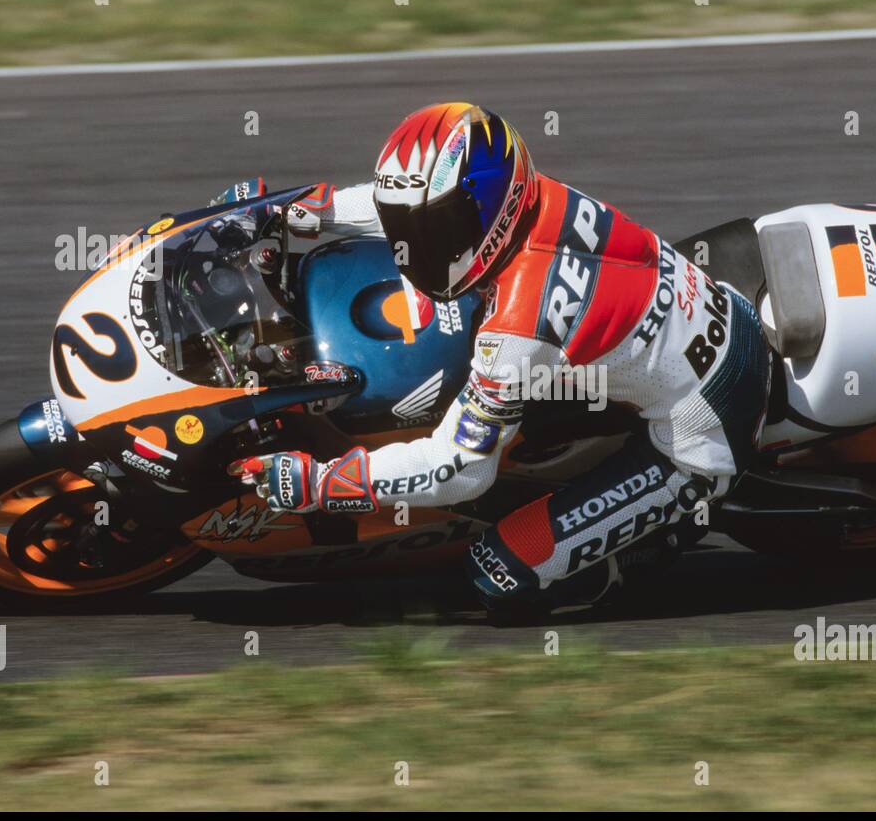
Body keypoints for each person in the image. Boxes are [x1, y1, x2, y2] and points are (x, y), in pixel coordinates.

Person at [237, 102, 771, 614]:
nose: (412, 250)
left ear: (487, 209)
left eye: (433, 233)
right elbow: (400, 208)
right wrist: (304, 213)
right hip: (698, 317)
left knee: (500, 574)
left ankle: (657, 539)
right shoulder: (532, 198)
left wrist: (326, 484)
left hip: (706, 421)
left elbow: (462, 471)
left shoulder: (518, 327)